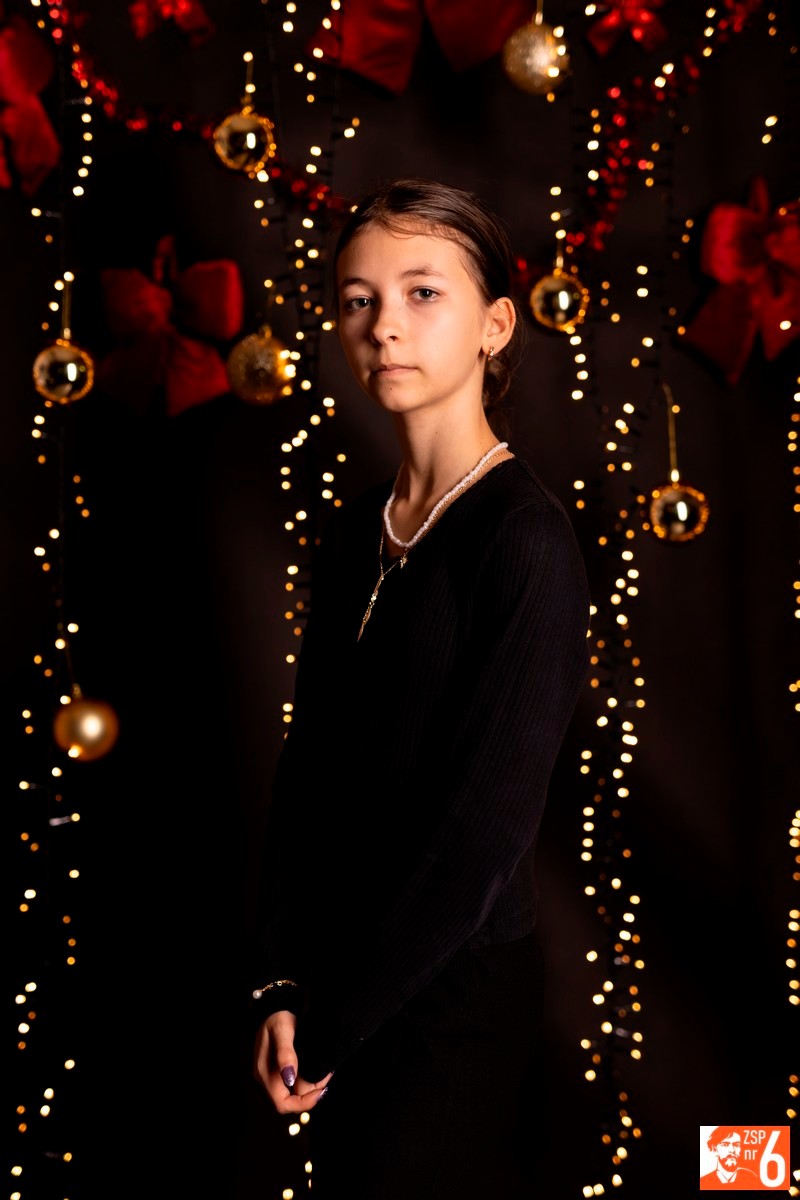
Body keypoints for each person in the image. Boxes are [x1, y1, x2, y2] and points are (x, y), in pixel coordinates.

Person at [248, 176, 592, 1199]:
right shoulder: (357, 529)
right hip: (331, 987)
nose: (383, 325)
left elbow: (480, 834)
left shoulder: (523, 541)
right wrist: (280, 981)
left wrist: (336, 1022)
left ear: (495, 326)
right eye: (358, 300)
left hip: (450, 1002)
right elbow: (307, 767)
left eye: (421, 293)